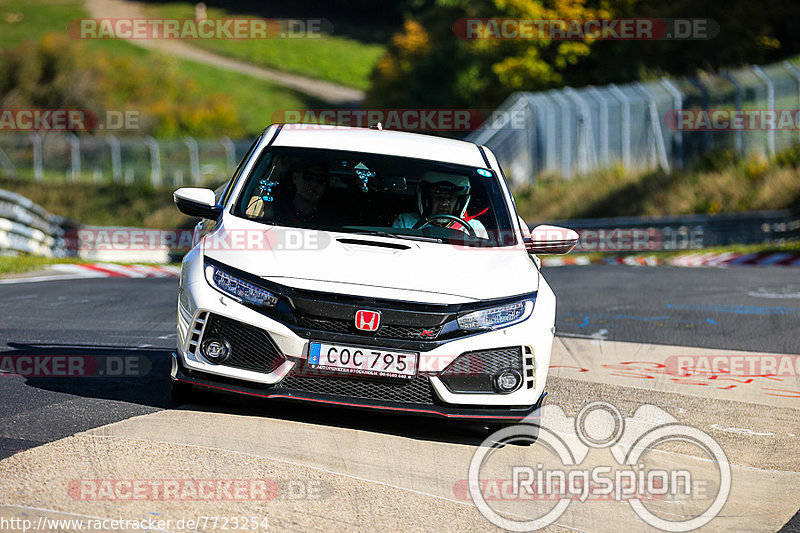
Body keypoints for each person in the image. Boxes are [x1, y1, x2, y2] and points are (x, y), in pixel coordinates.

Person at [393, 172, 488, 238]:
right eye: (439, 198)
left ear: (459, 203)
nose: (444, 204)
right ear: (427, 200)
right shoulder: (405, 223)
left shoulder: (475, 228)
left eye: (450, 199)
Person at [245, 160, 331, 224]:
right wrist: (272, 176)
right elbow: (251, 214)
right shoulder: (277, 209)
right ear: (295, 178)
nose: (314, 184)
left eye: (321, 180)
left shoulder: (331, 218)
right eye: (308, 177)